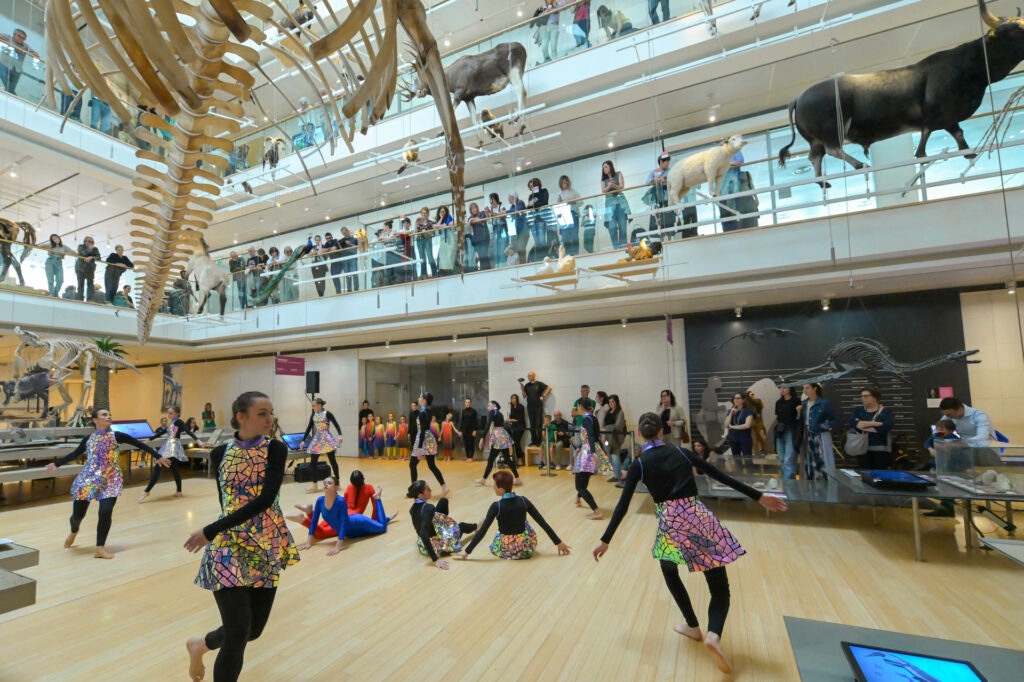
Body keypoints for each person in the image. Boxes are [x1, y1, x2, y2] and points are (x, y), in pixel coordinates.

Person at [593, 412, 788, 674]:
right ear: (661, 432)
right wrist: (758, 496)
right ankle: (713, 635)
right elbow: (718, 475)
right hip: (697, 517)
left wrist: (605, 540)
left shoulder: (639, 464)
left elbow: (622, 506)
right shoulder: (681, 452)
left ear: (640, 434)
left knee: (669, 570)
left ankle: (693, 627)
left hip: (670, 523)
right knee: (719, 588)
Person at [185, 391, 299, 682]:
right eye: (262, 413)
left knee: (253, 631)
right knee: (237, 631)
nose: (270, 419)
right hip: (227, 545)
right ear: (241, 416)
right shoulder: (219, 453)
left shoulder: (276, 450)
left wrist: (209, 530)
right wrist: (216, 533)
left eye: (271, 412)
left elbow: (265, 499)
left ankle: (201, 644)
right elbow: (227, 503)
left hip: (266, 544)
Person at [44, 408, 169, 560]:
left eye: (110, 414)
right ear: (95, 420)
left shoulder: (117, 436)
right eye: (104, 415)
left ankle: (100, 549)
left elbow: (140, 444)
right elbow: (74, 454)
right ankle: (74, 531)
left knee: (105, 512)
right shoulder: (89, 439)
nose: (108, 416)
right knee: (77, 516)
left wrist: (158, 456)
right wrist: (56, 464)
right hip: (88, 479)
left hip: (110, 479)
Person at [458, 470, 570, 560]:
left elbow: (483, 531)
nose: (493, 487)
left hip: (506, 548)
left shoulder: (496, 506)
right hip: (525, 547)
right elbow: (542, 522)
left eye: (494, 485)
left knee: (499, 531)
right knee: (525, 523)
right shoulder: (523, 500)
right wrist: (558, 542)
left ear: (501, 489)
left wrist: (467, 552)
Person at [293, 477, 397, 555]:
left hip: (358, 522)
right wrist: (309, 543)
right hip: (350, 534)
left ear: (336, 487)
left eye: (329, 483)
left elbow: (344, 523)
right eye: (324, 483)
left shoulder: (340, 501)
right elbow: (314, 521)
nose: (325, 485)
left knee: (382, 528)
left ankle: (377, 498)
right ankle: (387, 518)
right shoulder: (320, 501)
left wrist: (338, 546)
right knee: (371, 530)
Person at [407, 481, 477, 570]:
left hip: (424, 541)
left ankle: (472, 526)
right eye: (428, 489)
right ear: (421, 495)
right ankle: (477, 526)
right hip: (435, 545)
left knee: (443, 501)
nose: (431, 490)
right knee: (461, 526)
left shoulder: (412, 508)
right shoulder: (429, 508)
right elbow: (424, 534)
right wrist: (435, 560)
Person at [139, 406, 204, 502]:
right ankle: (179, 491)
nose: (169, 415)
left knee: (159, 466)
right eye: (168, 413)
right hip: (169, 447)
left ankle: (147, 491)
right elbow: (161, 433)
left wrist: (198, 441)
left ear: (177, 413)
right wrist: (148, 440)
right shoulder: (172, 423)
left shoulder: (179, 422)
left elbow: (188, 431)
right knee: (174, 469)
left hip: (172, 448)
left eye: (171, 413)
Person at [573, 397, 611, 519]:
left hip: (588, 453)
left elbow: (589, 435)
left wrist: (593, 452)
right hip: (589, 450)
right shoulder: (593, 418)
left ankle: (596, 510)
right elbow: (594, 437)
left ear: (580, 406)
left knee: (580, 486)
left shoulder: (586, 419)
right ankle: (579, 498)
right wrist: (579, 447)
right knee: (583, 480)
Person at [410, 392, 450, 494]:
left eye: (420, 397)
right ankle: (444, 486)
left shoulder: (423, 412)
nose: (418, 399)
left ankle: (414, 491)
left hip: (423, 439)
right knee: (432, 465)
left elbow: (423, 430)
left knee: (412, 465)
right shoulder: (427, 411)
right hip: (429, 439)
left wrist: (419, 449)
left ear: (424, 400)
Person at [477, 401, 523, 486]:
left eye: (489, 405)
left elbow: (488, 424)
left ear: (494, 405)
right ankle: (517, 479)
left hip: (499, 437)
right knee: (507, 459)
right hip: (503, 435)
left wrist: (482, 437)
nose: (488, 407)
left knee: (491, 459)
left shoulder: (493, 411)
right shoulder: (499, 413)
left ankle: (483, 480)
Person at [301, 398, 342, 492]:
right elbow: (308, 428)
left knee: (332, 461)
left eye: (313, 405)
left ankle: (337, 483)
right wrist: (303, 440)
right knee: (313, 463)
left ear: (319, 405)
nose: (313, 407)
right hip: (317, 439)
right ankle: (315, 485)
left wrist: (340, 435)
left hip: (327, 439)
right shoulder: (313, 415)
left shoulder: (327, 413)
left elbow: (337, 425)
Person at [848, 387, 895, 469]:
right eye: (862, 396)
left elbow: (885, 427)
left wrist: (863, 425)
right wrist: (874, 424)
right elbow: (854, 424)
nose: (863, 398)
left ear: (875, 397)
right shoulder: (858, 410)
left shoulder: (886, 411)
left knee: (880, 474)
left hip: (881, 448)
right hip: (862, 448)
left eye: (866, 396)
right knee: (865, 474)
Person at [801, 383, 837, 479]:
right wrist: (798, 413)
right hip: (807, 434)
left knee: (823, 458)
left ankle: (825, 481)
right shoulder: (803, 404)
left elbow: (834, 419)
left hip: (820, 434)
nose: (805, 390)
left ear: (815, 389)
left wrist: (825, 425)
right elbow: (801, 420)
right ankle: (811, 482)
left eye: (807, 388)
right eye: (804, 388)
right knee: (809, 459)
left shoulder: (824, 403)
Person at [645, 152, 676, 239]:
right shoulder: (654, 172)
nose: (668, 163)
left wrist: (665, 178)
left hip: (667, 199)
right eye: (666, 161)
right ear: (661, 162)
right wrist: (654, 180)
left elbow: (673, 177)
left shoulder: (669, 171)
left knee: (669, 219)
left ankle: (669, 239)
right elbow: (647, 182)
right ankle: (662, 240)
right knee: (658, 221)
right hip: (657, 200)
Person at [774, 386, 802, 479]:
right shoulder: (778, 402)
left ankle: (789, 483)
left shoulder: (796, 401)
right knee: (781, 458)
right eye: (780, 387)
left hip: (791, 429)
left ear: (790, 389)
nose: (782, 389)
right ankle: (786, 480)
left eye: (784, 387)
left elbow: (799, 418)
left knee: (789, 459)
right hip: (780, 429)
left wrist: (798, 412)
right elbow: (778, 416)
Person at [0, 28, 38, 95]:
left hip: (17, 69)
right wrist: (11, 45)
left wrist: (24, 52)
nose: (21, 39)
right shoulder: (9, 37)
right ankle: (12, 95)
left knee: (11, 88)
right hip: (4, 64)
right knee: (5, 77)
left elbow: (37, 55)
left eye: (23, 38)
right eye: (19, 36)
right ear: (14, 34)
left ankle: (10, 95)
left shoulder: (25, 46)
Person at [601, 160, 629, 249]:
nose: (604, 169)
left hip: (620, 203)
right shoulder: (603, 180)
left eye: (606, 166)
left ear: (610, 166)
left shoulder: (618, 174)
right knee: (612, 228)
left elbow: (621, 187)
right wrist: (609, 186)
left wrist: (614, 186)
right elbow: (603, 191)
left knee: (623, 227)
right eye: (603, 168)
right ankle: (616, 248)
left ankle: (623, 247)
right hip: (609, 206)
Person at [520, 371, 552, 446]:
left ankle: (539, 441)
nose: (529, 377)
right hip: (530, 407)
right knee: (532, 424)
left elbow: (549, 388)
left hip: (538, 406)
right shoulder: (527, 385)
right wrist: (522, 389)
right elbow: (524, 396)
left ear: (534, 376)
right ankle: (533, 441)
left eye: (530, 376)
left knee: (538, 423)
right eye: (528, 376)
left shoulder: (539, 384)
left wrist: (543, 396)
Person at [555, 175, 582, 255]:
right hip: (564, 217)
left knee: (574, 235)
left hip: (573, 214)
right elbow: (558, 208)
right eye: (563, 183)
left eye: (566, 183)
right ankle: (568, 254)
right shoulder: (560, 194)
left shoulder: (574, 191)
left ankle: (576, 253)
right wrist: (559, 202)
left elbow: (581, 202)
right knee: (565, 237)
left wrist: (573, 202)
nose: (565, 184)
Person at [604, 394, 627, 482]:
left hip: (615, 438)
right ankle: (616, 474)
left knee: (615, 456)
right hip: (607, 438)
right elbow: (604, 425)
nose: (611, 403)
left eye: (613, 401)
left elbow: (618, 426)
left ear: (616, 402)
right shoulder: (607, 412)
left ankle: (618, 476)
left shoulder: (620, 412)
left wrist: (607, 428)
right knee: (609, 455)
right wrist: (604, 433)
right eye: (609, 402)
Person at [526, 178, 551, 262]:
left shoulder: (544, 191)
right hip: (533, 221)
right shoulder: (531, 196)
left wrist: (533, 203)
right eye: (530, 187)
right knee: (537, 242)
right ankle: (540, 259)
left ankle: (545, 258)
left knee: (542, 241)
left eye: (532, 186)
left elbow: (544, 202)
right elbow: (528, 207)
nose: (532, 189)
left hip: (542, 219)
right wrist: (532, 204)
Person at [724, 392, 755, 457]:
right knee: (737, 461)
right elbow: (726, 425)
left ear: (743, 400)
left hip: (745, 440)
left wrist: (733, 427)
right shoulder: (730, 411)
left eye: (738, 398)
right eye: (734, 398)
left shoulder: (748, 411)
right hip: (733, 439)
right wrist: (731, 413)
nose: (736, 400)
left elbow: (747, 425)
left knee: (748, 461)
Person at [75, 237, 101, 301]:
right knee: (81, 284)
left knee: (90, 285)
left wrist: (92, 257)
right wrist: (90, 249)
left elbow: (99, 257)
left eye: (92, 242)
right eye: (89, 241)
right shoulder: (81, 246)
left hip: (90, 269)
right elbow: (82, 254)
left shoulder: (95, 249)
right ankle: (80, 299)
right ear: (85, 241)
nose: (91, 243)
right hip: (81, 268)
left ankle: (90, 299)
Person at [414, 206, 437, 277]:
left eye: (426, 213)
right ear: (421, 214)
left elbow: (434, 233)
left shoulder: (431, 222)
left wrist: (426, 232)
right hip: (419, 240)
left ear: (428, 214)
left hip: (428, 240)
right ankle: (423, 274)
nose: (424, 215)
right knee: (422, 257)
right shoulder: (418, 222)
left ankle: (434, 273)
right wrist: (416, 223)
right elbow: (416, 231)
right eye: (423, 213)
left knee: (430, 256)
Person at [507, 191, 529, 263]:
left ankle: (523, 265)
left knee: (521, 249)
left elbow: (517, 211)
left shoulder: (520, 202)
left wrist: (506, 212)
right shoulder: (512, 207)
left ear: (513, 197)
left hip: (522, 230)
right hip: (516, 232)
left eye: (509, 197)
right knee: (517, 250)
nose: (508, 199)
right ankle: (520, 264)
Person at [338, 227, 360, 293]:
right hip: (345, 259)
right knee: (347, 275)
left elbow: (358, 247)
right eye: (343, 234)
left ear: (348, 231)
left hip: (353, 258)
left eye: (345, 233)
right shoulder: (343, 240)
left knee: (354, 273)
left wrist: (349, 243)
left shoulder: (354, 238)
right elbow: (341, 251)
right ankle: (349, 290)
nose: (344, 234)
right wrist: (339, 244)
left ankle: (356, 289)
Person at [507, 394, 527, 465]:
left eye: (514, 398)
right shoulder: (511, 407)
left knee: (517, 442)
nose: (513, 400)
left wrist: (511, 420)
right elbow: (511, 417)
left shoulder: (520, 406)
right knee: (513, 443)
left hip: (520, 426)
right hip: (514, 427)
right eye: (512, 398)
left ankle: (520, 459)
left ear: (517, 399)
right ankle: (515, 459)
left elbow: (520, 418)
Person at [459, 398, 479, 463]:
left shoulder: (473, 411)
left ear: (470, 403)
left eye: (468, 402)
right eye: (466, 402)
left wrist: (475, 430)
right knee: (466, 444)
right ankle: (467, 457)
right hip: (465, 430)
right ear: (465, 403)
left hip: (471, 430)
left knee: (471, 444)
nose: (467, 403)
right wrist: (460, 430)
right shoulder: (463, 411)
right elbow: (462, 421)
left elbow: (475, 421)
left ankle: (471, 457)